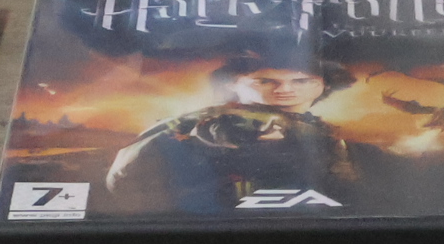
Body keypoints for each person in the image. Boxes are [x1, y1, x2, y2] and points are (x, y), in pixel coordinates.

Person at [99, 54, 362, 213]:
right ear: (235, 83)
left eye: (301, 81)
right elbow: (131, 181)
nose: (285, 90)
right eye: (265, 81)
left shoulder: (321, 131)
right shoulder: (212, 121)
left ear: (322, 85)